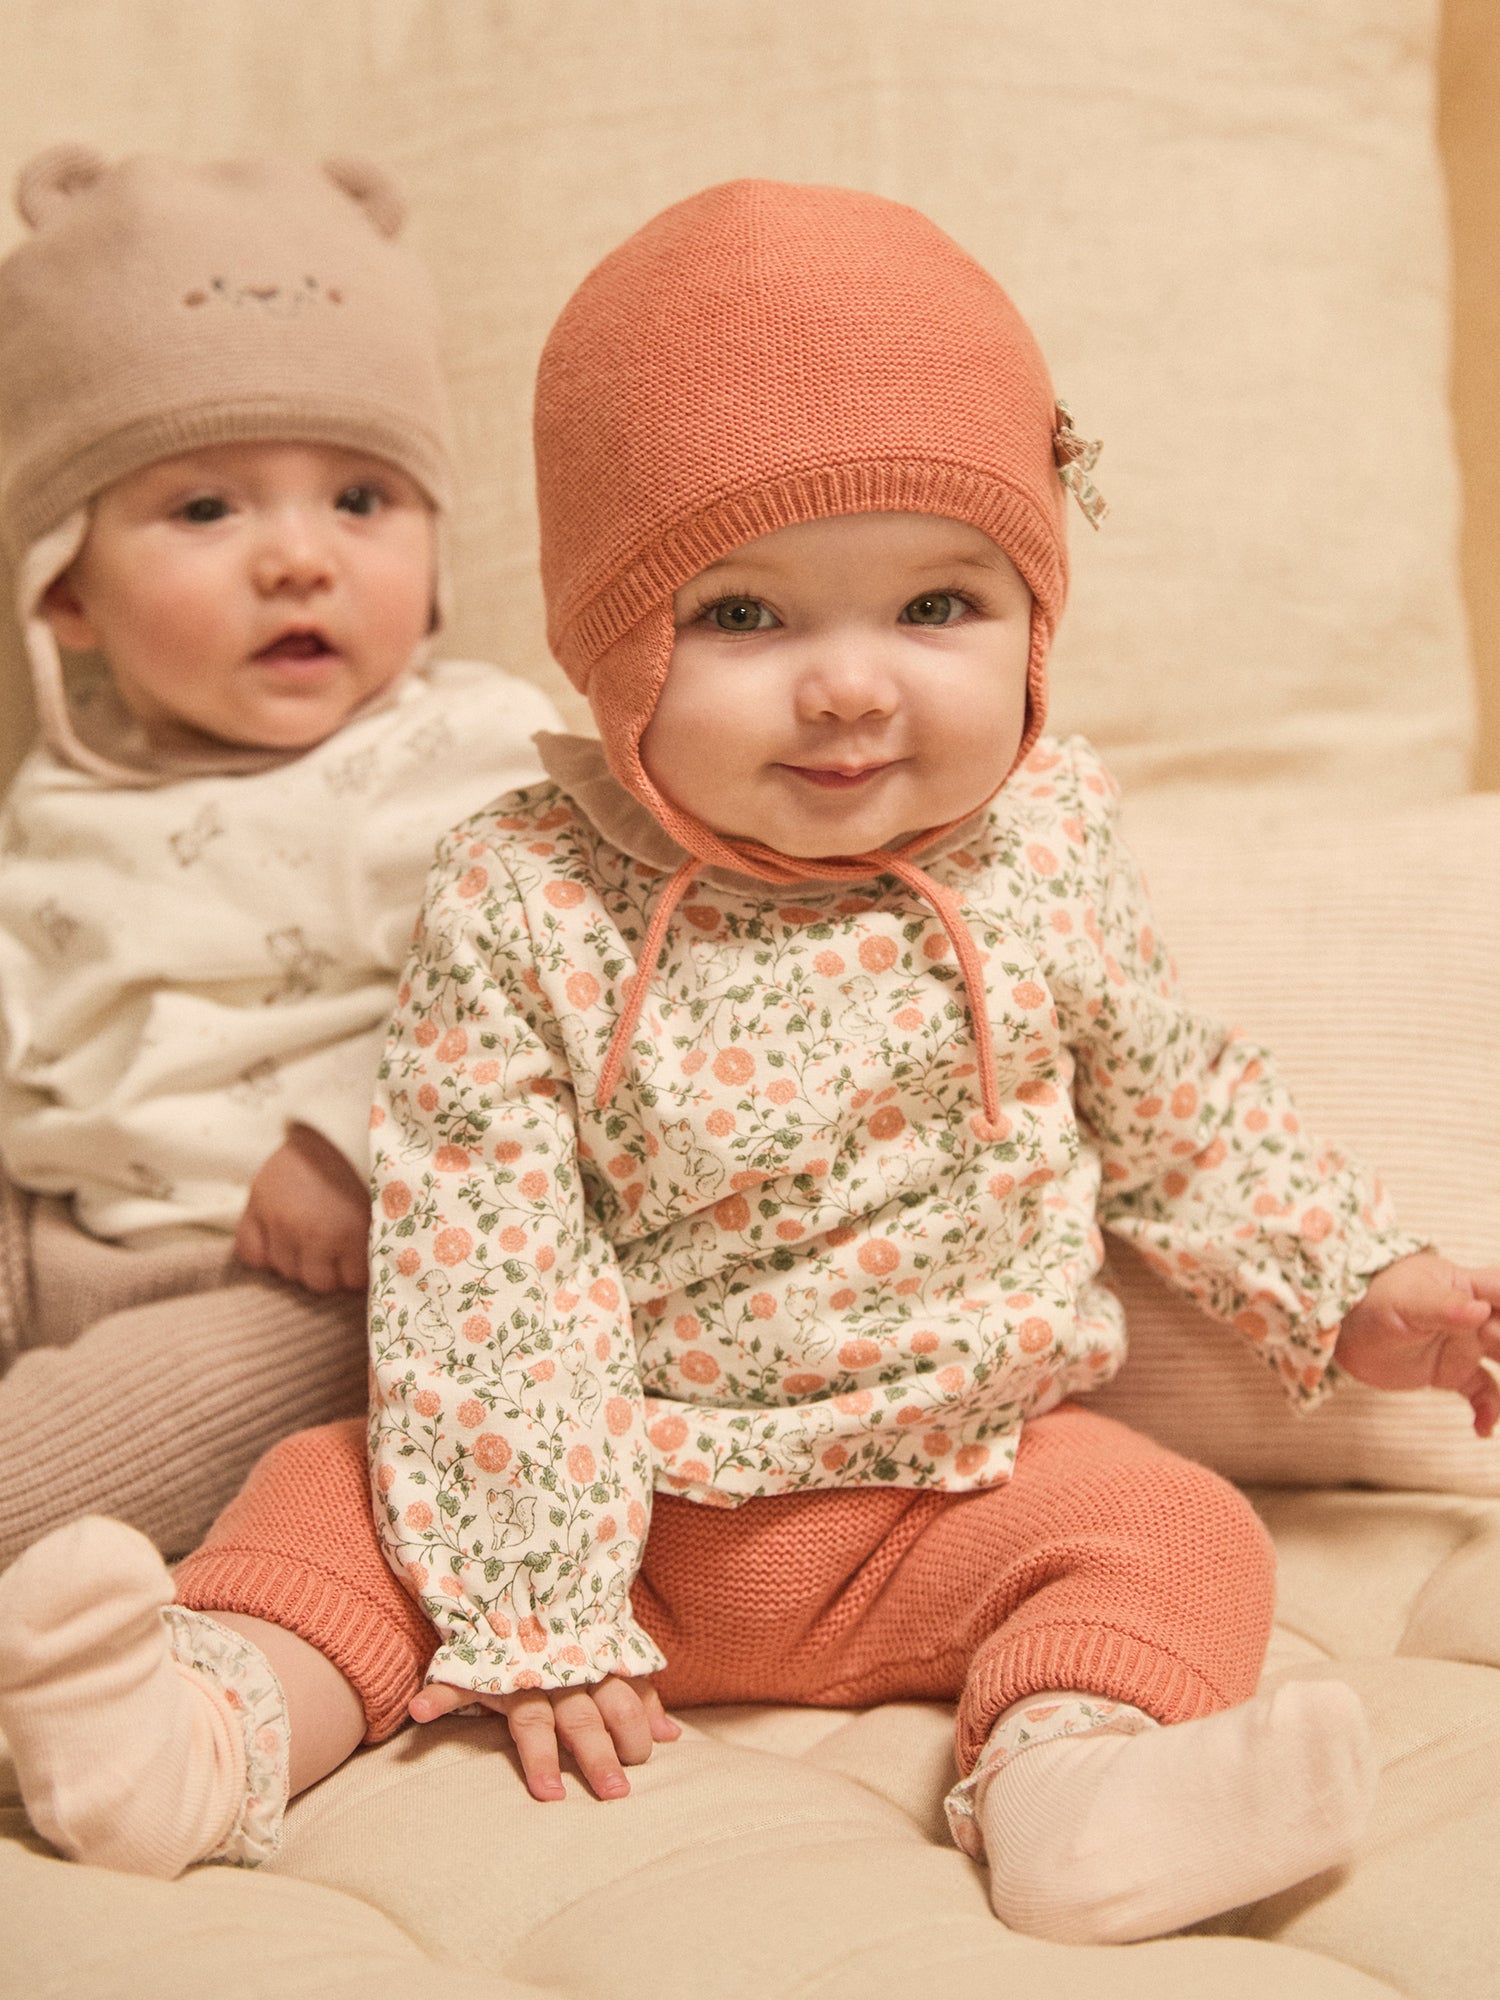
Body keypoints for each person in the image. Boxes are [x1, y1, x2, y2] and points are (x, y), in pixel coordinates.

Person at [3, 178, 1498, 1946]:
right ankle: (202, 1729)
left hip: (956, 1490)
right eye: (744, 620)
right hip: (620, 1491)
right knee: (326, 1497)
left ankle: (1077, 1785)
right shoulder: (529, 891)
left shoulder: (1046, 845)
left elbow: (1178, 1108)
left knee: (1178, 1534)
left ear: (1037, 604)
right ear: (606, 641)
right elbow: (485, 1260)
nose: (851, 690)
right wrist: (544, 1601)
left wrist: (1355, 1280)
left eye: (938, 604)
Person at [0, 149, 557, 1568]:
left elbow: (560, 965)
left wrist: (346, 1130)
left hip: (328, 1276)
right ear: (64, 586)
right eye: (207, 509)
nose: (297, 559)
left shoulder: (459, 755)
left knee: (114, 1426)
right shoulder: (63, 788)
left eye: (360, 502)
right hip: (60, 1238)